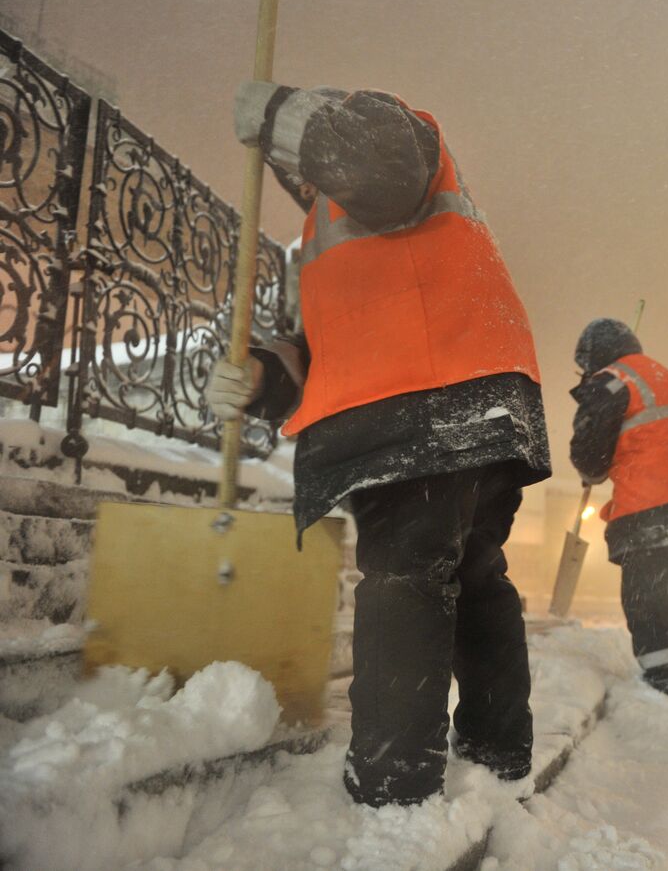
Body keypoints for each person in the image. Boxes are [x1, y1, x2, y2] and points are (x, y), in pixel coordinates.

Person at [207, 82, 550, 808]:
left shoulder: (401, 137)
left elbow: (378, 166)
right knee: (472, 576)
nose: (301, 173)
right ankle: (496, 755)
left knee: (406, 579)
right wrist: (260, 375)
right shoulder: (323, 235)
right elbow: (316, 352)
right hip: (477, 390)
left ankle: (395, 794)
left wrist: (280, 115)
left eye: (302, 154)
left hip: (426, 394)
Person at [568, 318, 668, 698]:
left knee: (648, 603)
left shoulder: (611, 381)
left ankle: (662, 692)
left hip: (651, 510)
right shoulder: (662, 376)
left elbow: (590, 458)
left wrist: (589, 463)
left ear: (592, 359)